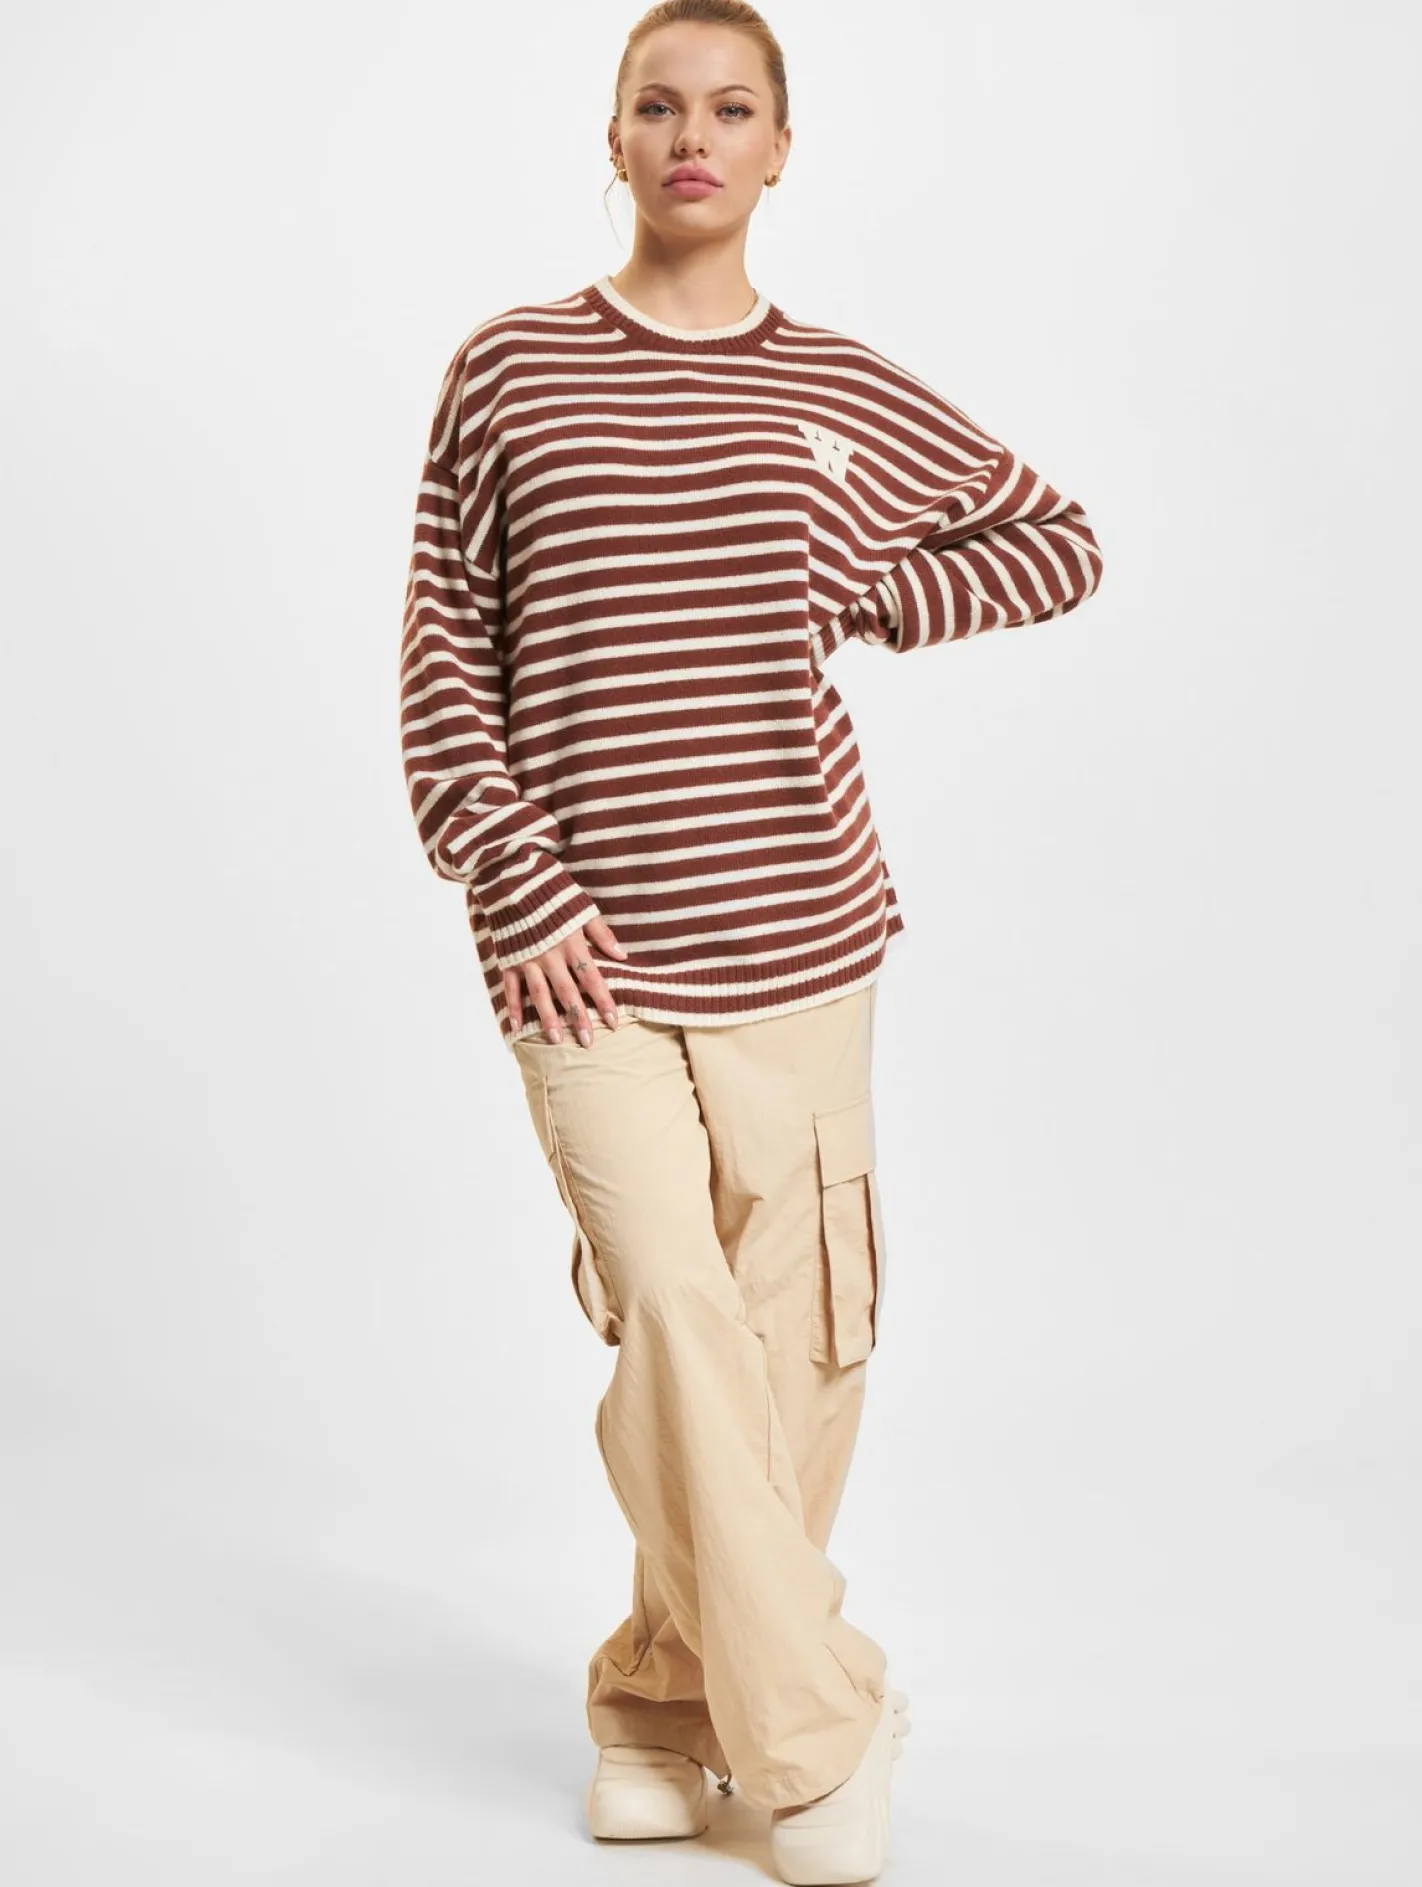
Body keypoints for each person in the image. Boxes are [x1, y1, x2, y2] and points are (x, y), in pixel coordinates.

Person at [398, 4, 1103, 1879]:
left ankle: (656, 1699)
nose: (691, 135)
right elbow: (444, 656)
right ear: (612, 136)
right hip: (582, 954)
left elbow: (1053, 538)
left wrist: (866, 580)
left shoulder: (837, 384)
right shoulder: (512, 367)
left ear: (779, 149)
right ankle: (815, 1736)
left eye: (729, 109)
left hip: (802, 933)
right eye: (658, 105)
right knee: (678, 1313)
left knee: (787, 1354)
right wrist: (511, 876)